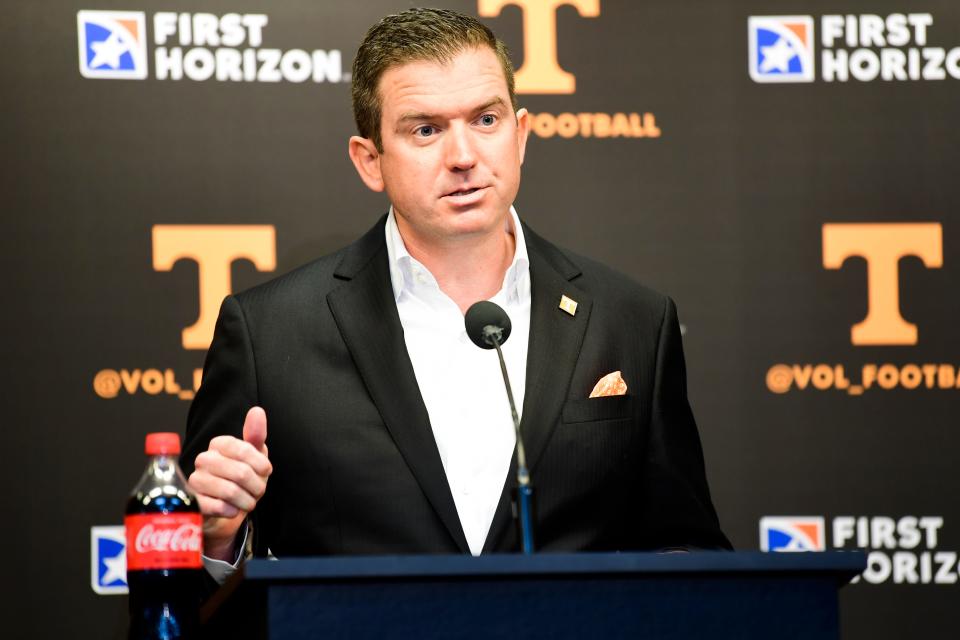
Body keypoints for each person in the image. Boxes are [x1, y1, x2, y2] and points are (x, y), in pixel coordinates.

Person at [182, 7, 731, 584]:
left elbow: (688, 550)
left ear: (520, 136)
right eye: (426, 129)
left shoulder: (632, 320)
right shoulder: (269, 333)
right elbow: (176, 603)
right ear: (370, 161)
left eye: (485, 119)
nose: (464, 156)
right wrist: (216, 540)